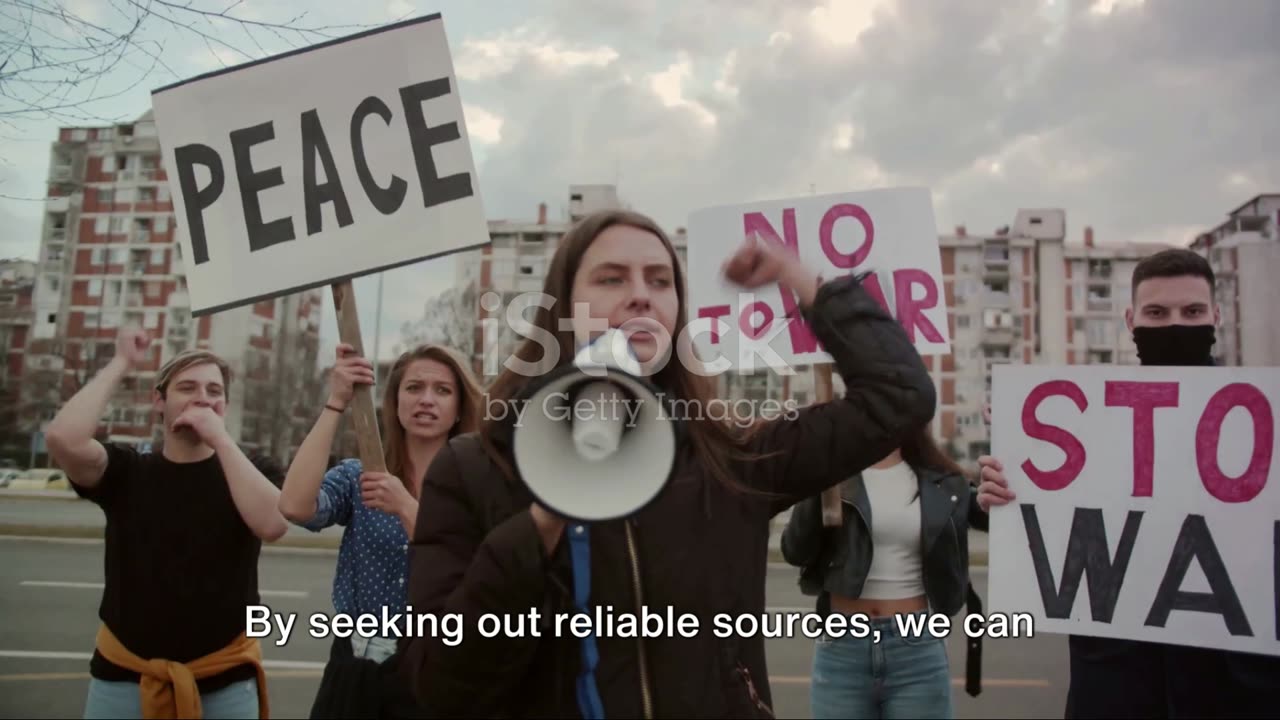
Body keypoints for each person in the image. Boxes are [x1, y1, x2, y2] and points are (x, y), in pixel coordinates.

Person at [399, 208, 938, 717]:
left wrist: (800, 278)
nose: (641, 297)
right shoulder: (474, 468)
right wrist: (543, 522)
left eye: (660, 281)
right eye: (611, 279)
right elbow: (443, 685)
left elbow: (899, 398)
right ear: (563, 308)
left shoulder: (733, 459)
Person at [976, 248, 1280, 719]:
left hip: (1236, 688)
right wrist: (1002, 494)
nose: (1176, 325)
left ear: (1216, 316)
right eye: (1157, 313)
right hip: (1116, 686)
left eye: (1192, 312)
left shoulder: (1268, 424)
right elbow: (1056, 540)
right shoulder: (1087, 422)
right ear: (1130, 319)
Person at [45, 326, 288, 720]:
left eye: (214, 391)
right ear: (159, 401)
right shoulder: (127, 471)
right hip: (124, 679)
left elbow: (273, 524)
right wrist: (123, 362)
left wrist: (221, 440)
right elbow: (63, 439)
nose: (202, 399)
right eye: (187, 388)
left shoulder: (253, 470)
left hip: (224, 680)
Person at [279, 341, 482, 719]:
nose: (426, 400)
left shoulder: (476, 487)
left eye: (442, 390)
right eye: (414, 388)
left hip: (439, 668)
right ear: (395, 401)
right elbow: (294, 506)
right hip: (355, 668)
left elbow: (478, 572)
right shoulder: (363, 475)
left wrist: (405, 507)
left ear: (459, 409)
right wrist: (336, 402)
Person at [782, 424, 988, 719]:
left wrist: (997, 489)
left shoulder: (944, 480)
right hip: (842, 649)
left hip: (916, 649)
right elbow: (794, 550)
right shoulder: (834, 470)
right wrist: (818, 476)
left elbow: (1000, 518)